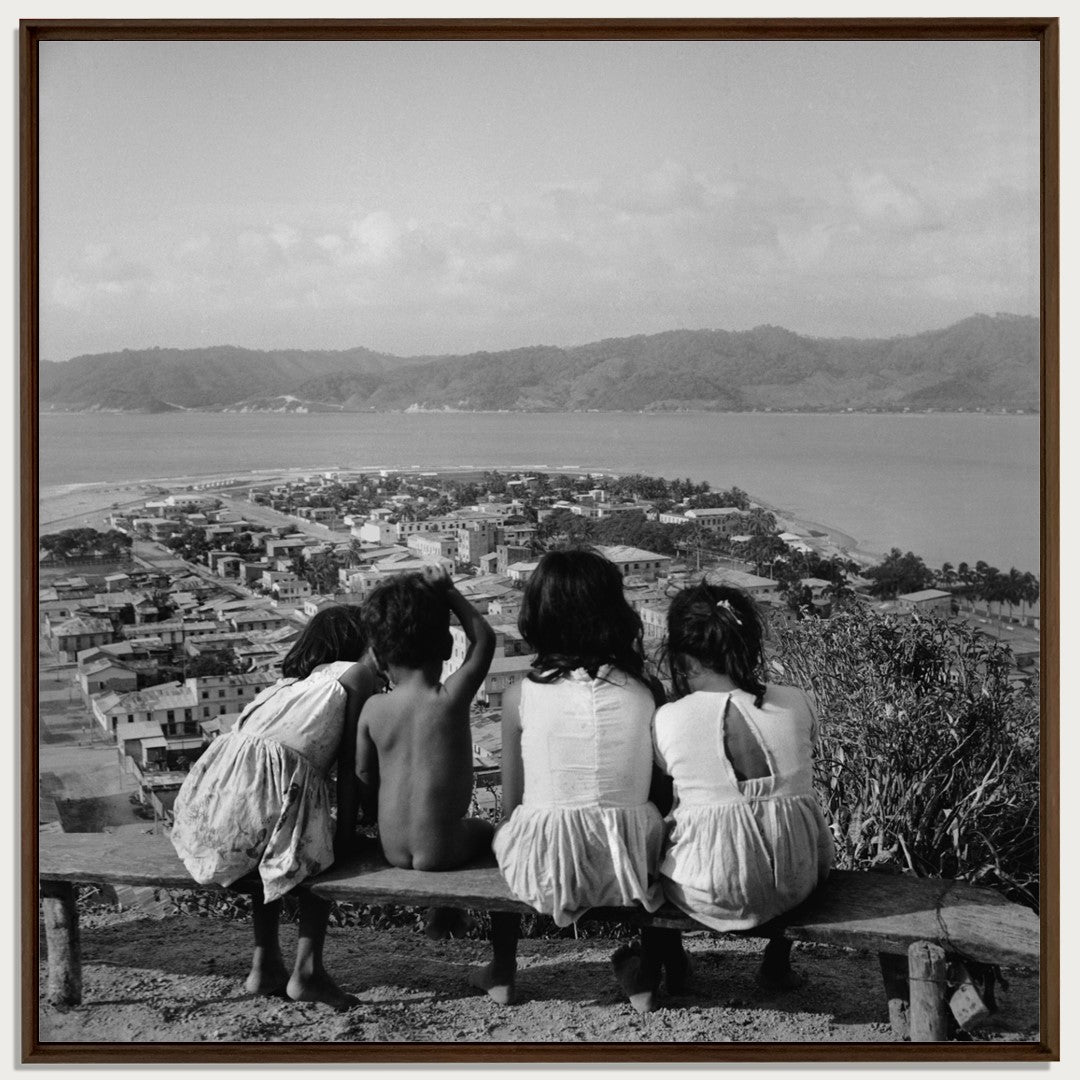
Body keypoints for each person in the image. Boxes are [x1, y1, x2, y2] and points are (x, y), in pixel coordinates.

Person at [477, 547, 667, 1009]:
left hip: (546, 868)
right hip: (632, 870)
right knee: (660, 834)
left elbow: (512, 809)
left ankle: (503, 969)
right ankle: (646, 972)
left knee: (508, 835)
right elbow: (662, 794)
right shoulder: (646, 692)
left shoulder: (522, 694)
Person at [170, 605, 380, 1010]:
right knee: (321, 856)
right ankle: (308, 972)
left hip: (213, 810)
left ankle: (265, 962)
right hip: (262, 794)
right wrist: (350, 830)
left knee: (267, 848)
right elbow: (353, 766)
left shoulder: (283, 687)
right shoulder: (355, 675)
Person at [645, 582, 835, 1001]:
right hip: (799, 877)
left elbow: (666, 801)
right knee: (778, 826)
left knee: (653, 842)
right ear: (749, 644)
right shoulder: (797, 700)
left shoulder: (668, 719)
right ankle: (777, 964)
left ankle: (673, 966)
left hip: (710, 888)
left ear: (679, 654)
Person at [356, 565, 496, 894]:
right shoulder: (449, 698)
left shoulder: (372, 709)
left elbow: (364, 775)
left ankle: (443, 910)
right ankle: (469, 924)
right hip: (444, 848)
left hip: (391, 847)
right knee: (491, 832)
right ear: (448, 648)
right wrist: (448, 591)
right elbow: (483, 640)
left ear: (377, 658)